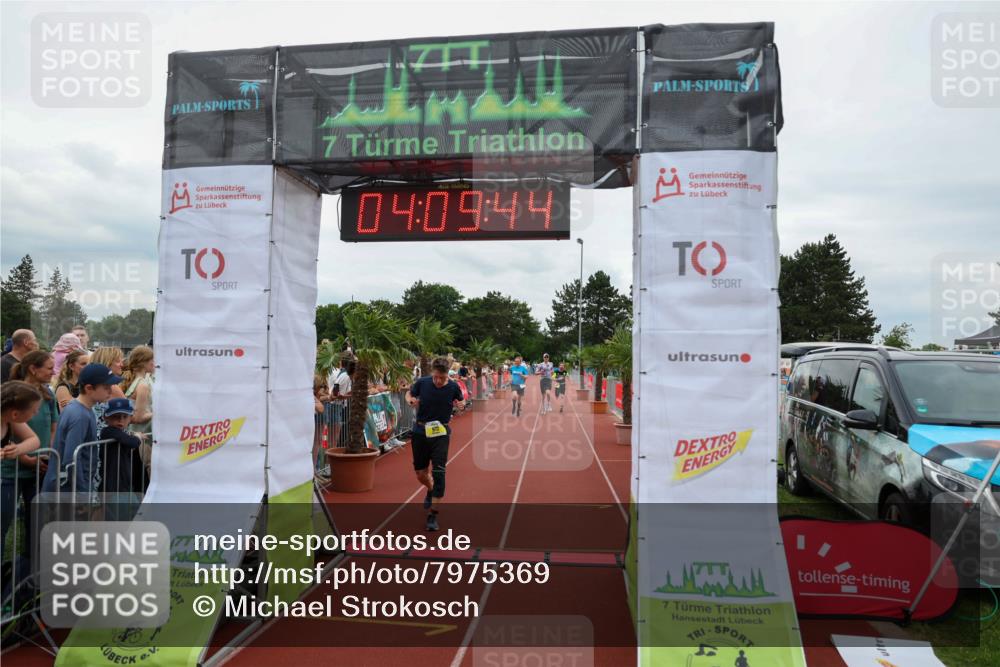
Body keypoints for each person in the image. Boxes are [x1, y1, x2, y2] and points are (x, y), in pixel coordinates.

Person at [41, 363, 121, 496]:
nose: (110, 391)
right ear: (89, 388)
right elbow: (71, 459)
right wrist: (82, 492)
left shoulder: (82, 409)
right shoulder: (79, 415)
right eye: (106, 387)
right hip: (68, 491)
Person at [406, 356, 465, 531]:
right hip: (420, 431)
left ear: (447, 375)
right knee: (420, 473)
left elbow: (461, 399)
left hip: (441, 433)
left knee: (439, 473)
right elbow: (409, 393)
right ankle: (430, 488)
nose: (438, 381)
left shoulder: (453, 387)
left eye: (442, 378)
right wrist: (410, 400)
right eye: (436, 377)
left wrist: (461, 404)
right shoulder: (423, 383)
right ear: (433, 373)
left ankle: (433, 515)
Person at [6, 352, 58, 548]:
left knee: (37, 520)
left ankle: (32, 560)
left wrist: (47, 455)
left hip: (39, 468)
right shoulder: (14, 393)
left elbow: (53, 427)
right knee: (5, 520)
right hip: (11, 469)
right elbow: (7, 431)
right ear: (33, 369)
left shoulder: (48, 395)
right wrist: (25, 458)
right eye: (49, 368)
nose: (53, 372)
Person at [1, 381, 42, 568]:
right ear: (15, 414)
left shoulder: (8, 420)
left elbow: (34, 440)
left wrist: (18, 449)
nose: (36, 414)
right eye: (33, 411)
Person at [100, 397, 146, 518]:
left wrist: (134, 437)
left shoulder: (121, 433)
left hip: (124, 485)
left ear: (130, 418)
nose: (120, 420)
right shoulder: (108, 431)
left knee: (135, 515)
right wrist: (137, 437)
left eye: (125, 417)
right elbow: (132, 442)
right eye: (115, 416)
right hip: (113, 488)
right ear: (106, 417)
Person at [121, 346, 154, 470]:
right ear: (144, 362)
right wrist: (158, 413)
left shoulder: (138, 381)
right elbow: (138, 418)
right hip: (143, 439)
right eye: (152, 360)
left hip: (141, 437)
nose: (154, 363)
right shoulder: (143, 385)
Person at [89, 346, 126, 430]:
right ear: (107, 362)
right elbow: (130, 416)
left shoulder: (92, 384)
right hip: (109, 435)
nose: (122, 364)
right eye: (118, 361)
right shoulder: (112, 387)